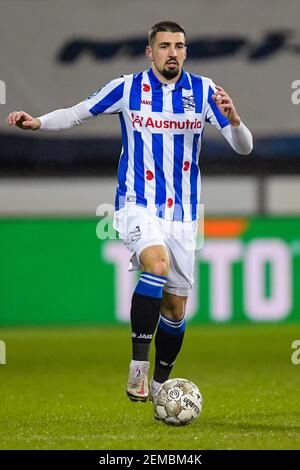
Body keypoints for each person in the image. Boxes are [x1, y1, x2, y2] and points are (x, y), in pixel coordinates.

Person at [7, 21, 253, 402]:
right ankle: (138, 365)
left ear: (186, 51)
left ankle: (160, 385)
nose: (173, 52)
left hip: (184, 215)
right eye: (165, 45)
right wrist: (38, 122)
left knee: (175, 309)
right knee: (156, 264)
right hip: (136, 205)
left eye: (180, 46)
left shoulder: (205, 92)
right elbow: (77, 113)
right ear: (149, 51)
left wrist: (235, 121)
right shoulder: (127, 88)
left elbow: (244, 148)